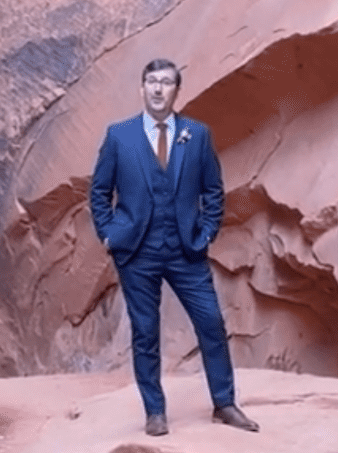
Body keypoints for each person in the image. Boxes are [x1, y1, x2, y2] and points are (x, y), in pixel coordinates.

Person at [89, 59, 259, 436]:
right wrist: (109, 233)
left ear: (176, 90)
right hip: (136, 252)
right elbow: (99, 192)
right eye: (151, 81)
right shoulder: (119, 136)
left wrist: (208, 231)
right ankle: (155, 412)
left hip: (186, 249)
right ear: (142, 88)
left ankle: (225, 403)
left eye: (166, 82)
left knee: (212, 324)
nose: (158, 88)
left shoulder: (196, 135)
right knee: (146, 332)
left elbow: (213, 190)